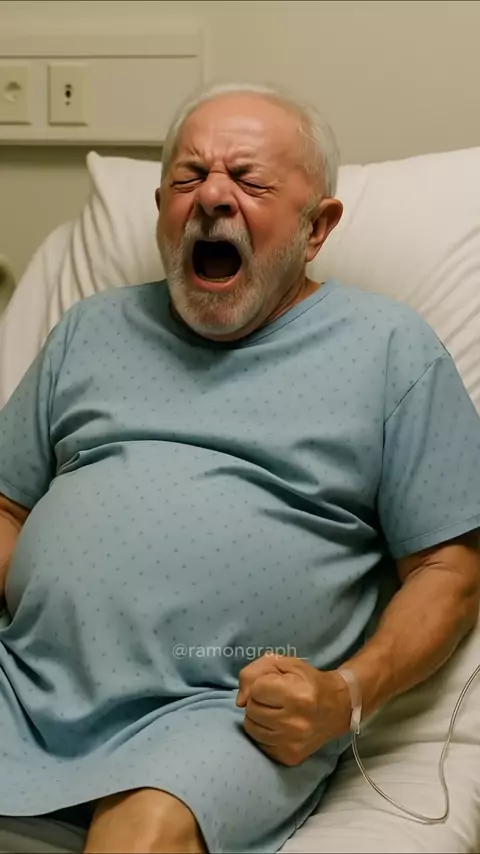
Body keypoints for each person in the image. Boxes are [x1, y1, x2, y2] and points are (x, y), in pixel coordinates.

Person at [0, 81, 479, 854]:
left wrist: (346, 694)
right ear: (161, 208)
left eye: (250, 181)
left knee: (143, 835)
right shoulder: (89, 330)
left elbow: (448, 570)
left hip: (224, 712)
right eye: (188, 177)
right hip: (23, 678)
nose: (212, 197)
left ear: (317, 227)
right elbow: (7, 506)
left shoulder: (390, 350)